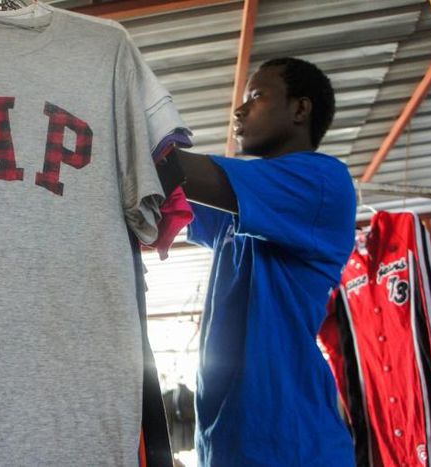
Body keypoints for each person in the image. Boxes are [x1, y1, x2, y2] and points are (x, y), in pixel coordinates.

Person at [171, 57, 357, 466]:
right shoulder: (239, 204)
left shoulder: (322, 182)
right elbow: (157, 205)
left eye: (256, 96)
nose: (238, 110)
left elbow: (172, 170)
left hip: (294, 445)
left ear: (300, 109)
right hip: (226, 443)